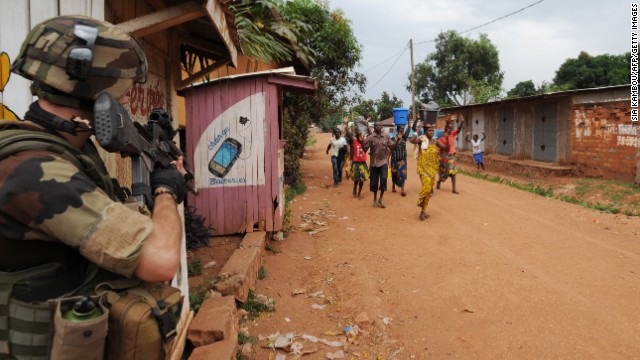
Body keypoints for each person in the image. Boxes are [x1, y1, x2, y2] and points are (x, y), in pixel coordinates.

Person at [0, 15, 186, 359]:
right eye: (122, 91)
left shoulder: (62, 147)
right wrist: (167, 190)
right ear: (99, 92)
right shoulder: (36, 169)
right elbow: (160, 260)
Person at [411, 122, 448, 220]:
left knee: (428, 192)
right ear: (425, 131)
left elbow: (446, 148)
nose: (431, 132)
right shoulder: (421, 139)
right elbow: (412, 140)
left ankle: (423, 211)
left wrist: (447, 138)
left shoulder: (436, 142)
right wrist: (418, 129)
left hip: (432, 170)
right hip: (423, 169)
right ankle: (420, 203)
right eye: (429, 131)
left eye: (432, 130)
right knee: (426, 189)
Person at [363, 121, 396, 208]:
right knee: (374, 183)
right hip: (374, 163)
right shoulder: (370, 138)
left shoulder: (386, 137)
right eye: (376, 125)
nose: (378, 126)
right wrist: (363, 141)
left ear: (381, 127)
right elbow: (364, 149)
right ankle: (375, 199)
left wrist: (398, 139)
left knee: (383, 180)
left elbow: (393, 147)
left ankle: (381, 199)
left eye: (380, 125)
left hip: (383, 162)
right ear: (374, 127)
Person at [436, 116, 465, 194]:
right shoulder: (441, 136)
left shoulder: (452, 134)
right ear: (445, 129)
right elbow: (440, 149)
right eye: (449, 128)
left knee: (453, 172)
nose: (450, 130)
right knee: (444, 173)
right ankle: (439, 181)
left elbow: (458, 130)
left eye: (451, 128)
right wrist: (449, 122)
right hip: (444, 157)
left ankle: (454, 189)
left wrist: (462, 122)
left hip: (451, 156)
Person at [344, 116, 369, 199]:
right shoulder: (354, 142)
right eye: (360, 136)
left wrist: (366, 124)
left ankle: (359, 193)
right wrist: (346, 123)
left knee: (362, 180)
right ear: (358, 136)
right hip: (356, 163)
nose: (362, 137)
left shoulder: (365, 143)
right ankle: (354, 188)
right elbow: (348, 133)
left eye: (363, 136)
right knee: (356, 179)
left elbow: (370, 133)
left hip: (363, 164)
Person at [390, 125, 410, 196]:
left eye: (403, 129)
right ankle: (393, 186)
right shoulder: (392, 139)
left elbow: (409, 129)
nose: (402, 130)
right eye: (401, 129)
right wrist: (398, 140)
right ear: (397, 130)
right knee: (394, 174)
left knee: (403, 175)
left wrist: (408, 121)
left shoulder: (404, 138)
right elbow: (392, 148)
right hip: (395, 159)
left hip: (402, 160)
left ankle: (402, 189)